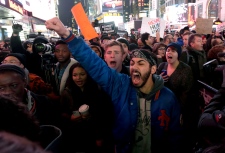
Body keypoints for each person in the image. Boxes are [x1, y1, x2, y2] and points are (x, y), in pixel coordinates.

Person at [45, 17, 182, 153]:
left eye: (141, 63)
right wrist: (66, 35)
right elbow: (94, 64)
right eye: (133, 63)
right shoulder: (121, 86)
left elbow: (175, 137)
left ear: (153, 69)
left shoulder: (168, 98)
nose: (134, 67)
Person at [59, 63, 114, 153]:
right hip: (76, 136)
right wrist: (70, 118)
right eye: (75, 75)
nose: (78, 78)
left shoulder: (97, 91)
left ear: (88, 74)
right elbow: (61, 113)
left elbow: (105, 116)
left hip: (95, 135)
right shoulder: (67, 93)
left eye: (82, 74)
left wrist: (100, 136)